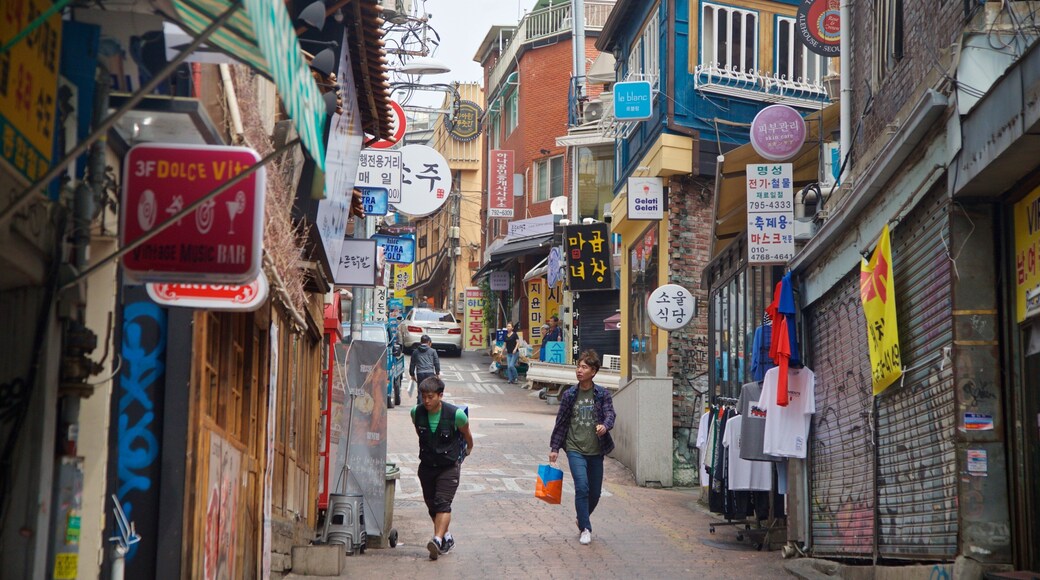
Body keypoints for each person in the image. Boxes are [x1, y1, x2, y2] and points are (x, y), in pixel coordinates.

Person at [548, 350, 616, 546]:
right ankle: (585, 528)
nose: (579, 370)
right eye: (578, 367)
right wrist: (554, 448)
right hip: (574, 447)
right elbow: (561, 422)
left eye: (584, 367)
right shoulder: (570, 394)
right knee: (582, 487)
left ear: (593, 371)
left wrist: (605, 426)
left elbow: (610, 414)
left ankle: (582, 517)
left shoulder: (602, 394)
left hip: (596, 450)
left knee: (595, 493)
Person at [411, 377, 474, 560]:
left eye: (430, 397)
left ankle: (437, 540)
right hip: (427, 467)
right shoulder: (416, 413)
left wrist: (468, 450)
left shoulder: (456, 415)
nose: (426, 401)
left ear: (440, 396)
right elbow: (420, 433)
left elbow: (467, 435)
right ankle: (447, 537)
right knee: (432, 506)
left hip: (449, 467)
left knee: (442, 503)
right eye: (423, 396)